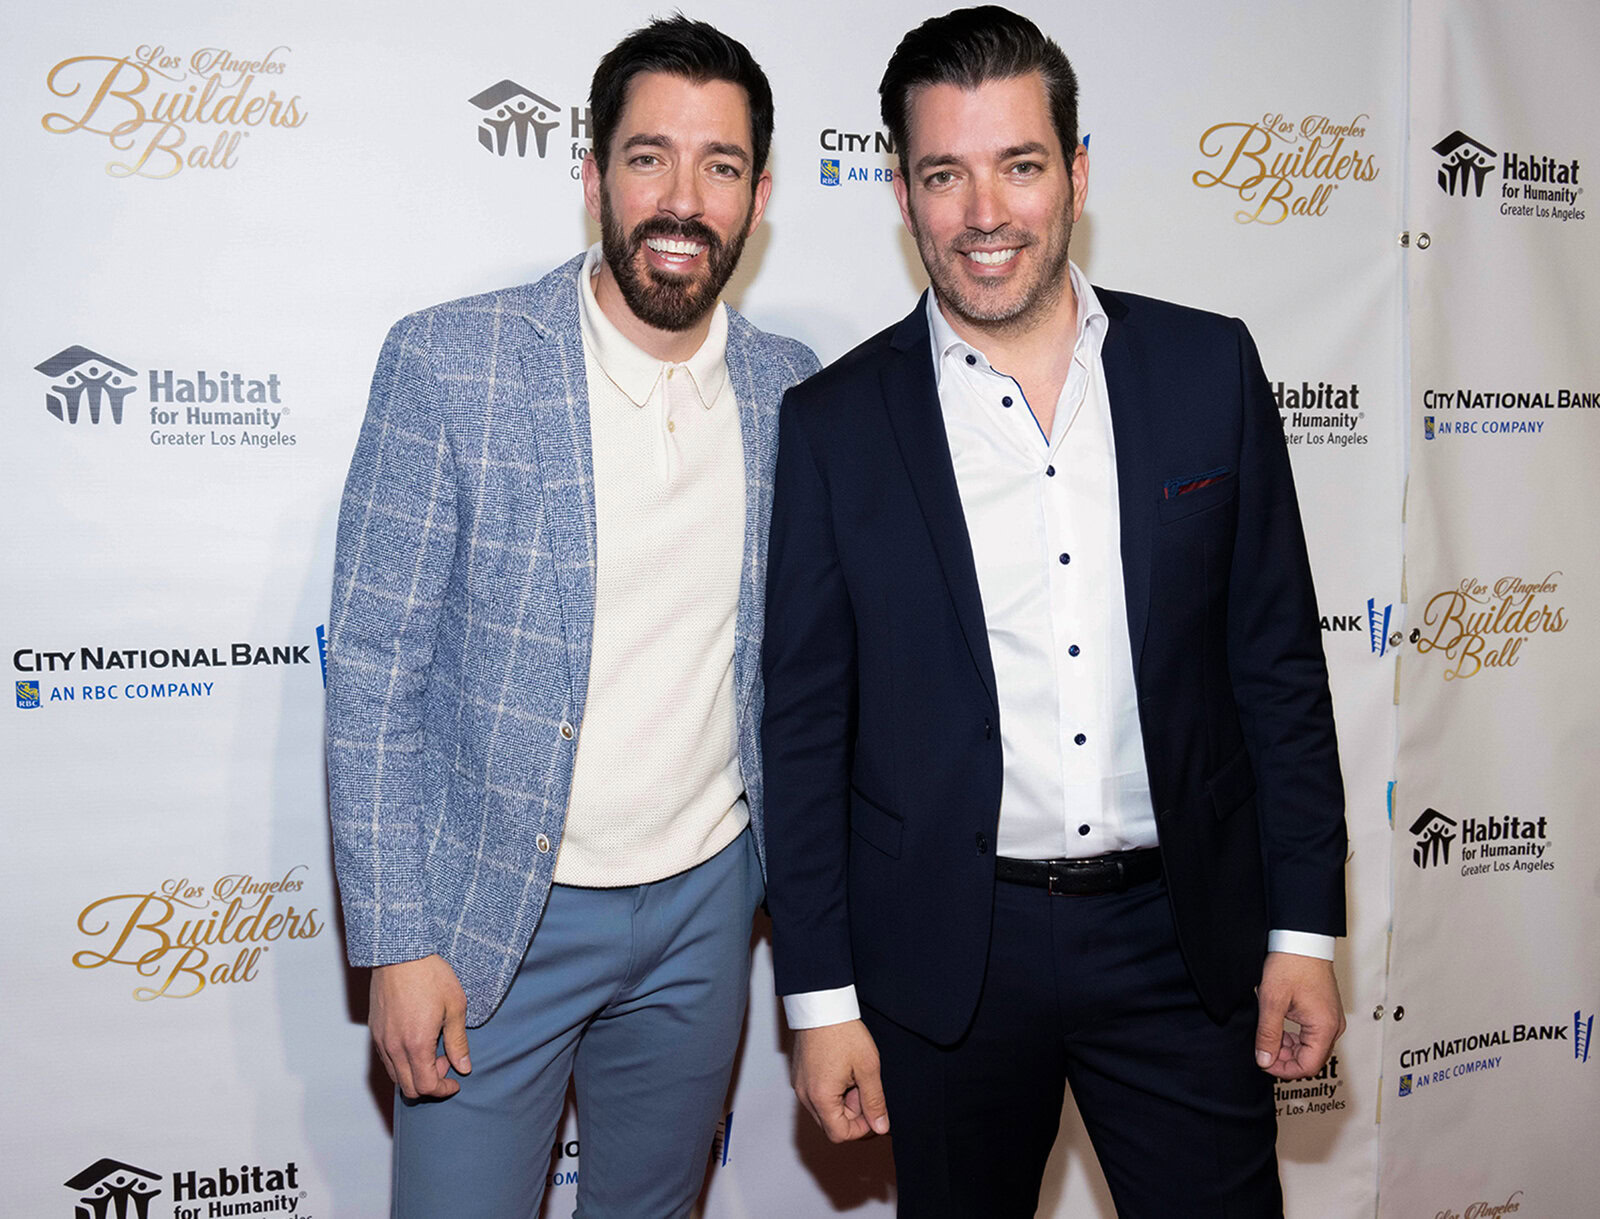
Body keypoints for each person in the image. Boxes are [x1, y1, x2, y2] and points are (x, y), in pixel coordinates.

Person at [761, 7, 1347, 1216]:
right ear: (901, 190)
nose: (985, 213)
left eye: (1019, 165)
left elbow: (1276, 667)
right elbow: (805, 732)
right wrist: (819, 1003)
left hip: (1184, 946)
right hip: (946, 960)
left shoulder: (1206, 369)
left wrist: (1306, 929)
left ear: (1074, 174)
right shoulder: (833, 427)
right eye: (944, 174)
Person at [325, 16, 818, 1218]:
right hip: (491, 919)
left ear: (758, 192)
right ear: (592, 173)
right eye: (649, 157)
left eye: (720, 164)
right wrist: (396, 940)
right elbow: (376, 670)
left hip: (705, 914)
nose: (682, 199)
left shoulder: (793, 392)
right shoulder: (452, 363)